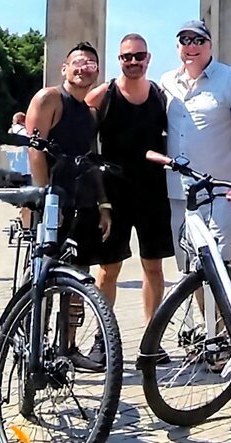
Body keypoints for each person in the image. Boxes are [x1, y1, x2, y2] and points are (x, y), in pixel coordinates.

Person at [25, 41, 110, 371]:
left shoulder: (89, 113)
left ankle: (69, 348)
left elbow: (91, 159)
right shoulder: (49, 99)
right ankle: (35, 350)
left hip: (83, 205)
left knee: (78, 281)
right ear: (64, 68)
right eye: (78, 62)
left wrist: (103, 204)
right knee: (44, 279)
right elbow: (35, 149)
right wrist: (47, 198)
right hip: (53, 205)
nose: (83, 68)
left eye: (90, 64)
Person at [85, 34, 174, 334]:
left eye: (139, 56)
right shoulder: (103, 95)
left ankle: (152, 338)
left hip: (153, 192)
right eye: (127, 57)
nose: (133, 62)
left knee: (154, 267)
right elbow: (79, 130)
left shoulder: (160, 96)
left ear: (148, 58)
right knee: (109, 269)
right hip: (114, 192)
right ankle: (104, 337)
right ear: (119, 60)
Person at [160, 20, 231, 269]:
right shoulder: (166, 81)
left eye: (199, 40)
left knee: (221, 267)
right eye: (185, 40)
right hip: (180, 192)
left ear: (210, 45)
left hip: (221, 192)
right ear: (177, 46)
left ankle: (226, 298)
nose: (191, 46)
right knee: (189, 268)